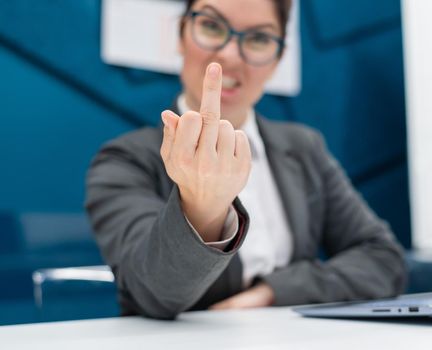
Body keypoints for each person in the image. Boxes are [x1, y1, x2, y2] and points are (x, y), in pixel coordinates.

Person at [85, 0, 407, 320]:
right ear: (181, 34)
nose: (229, 55)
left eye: (258, 39)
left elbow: (383, 260)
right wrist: (203, 208)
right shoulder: (125, 161)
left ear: (278, 58)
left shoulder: (304, 148)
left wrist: (273, 292)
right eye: (211, 26)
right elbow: (152, 294)